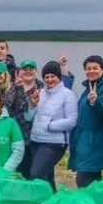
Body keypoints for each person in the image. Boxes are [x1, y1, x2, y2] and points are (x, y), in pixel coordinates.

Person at [68, 56, 103, 187]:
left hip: (95, 141)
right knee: (93, 181)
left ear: (102, 69)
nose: (91, 71)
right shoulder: (89, 87)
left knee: (83, 180)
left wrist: (94, 102)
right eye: (88, 69)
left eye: (95, 68)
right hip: (84, 141)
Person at [27, 61, 78, 191]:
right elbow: (29, 117)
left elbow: (72, 121)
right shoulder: (40, 93)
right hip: (36, 140)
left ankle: (41, 203)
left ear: (59, 77)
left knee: (36, 174)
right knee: (47, 176)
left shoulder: (68, 95)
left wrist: (50, 126)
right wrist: (32, 105)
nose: (49, 80)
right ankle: (53, 203)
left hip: (54, 143)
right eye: (46, 77)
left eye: (52, 76)